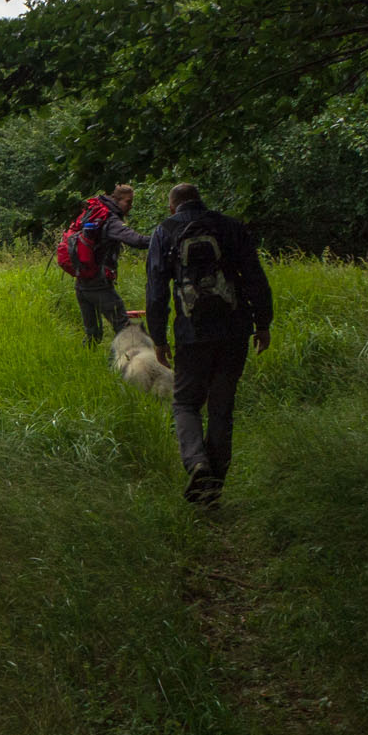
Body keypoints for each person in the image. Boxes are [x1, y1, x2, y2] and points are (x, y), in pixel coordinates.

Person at [145, 183, 273, 506]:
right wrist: (263, 324)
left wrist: (158, 338)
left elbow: (156, 289)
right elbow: (255, 277)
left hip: (192, 334)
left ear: (173, 206)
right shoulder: (230, 227)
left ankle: (197, 464)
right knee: (221, 407)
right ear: (201, 200)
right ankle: (213, 485)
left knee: (186, 403)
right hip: (234, 331)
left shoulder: (165, 231)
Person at [74, 183, 151, 347]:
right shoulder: (110, 220)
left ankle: (86, 362)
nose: (130, 207)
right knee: (125, 330)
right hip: (99, 285)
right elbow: (136, 240)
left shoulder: (93, 213)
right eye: (128, 202)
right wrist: (161, 239)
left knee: (93, 334)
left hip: (82, 281)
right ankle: (125, 367)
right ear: (116, 200)